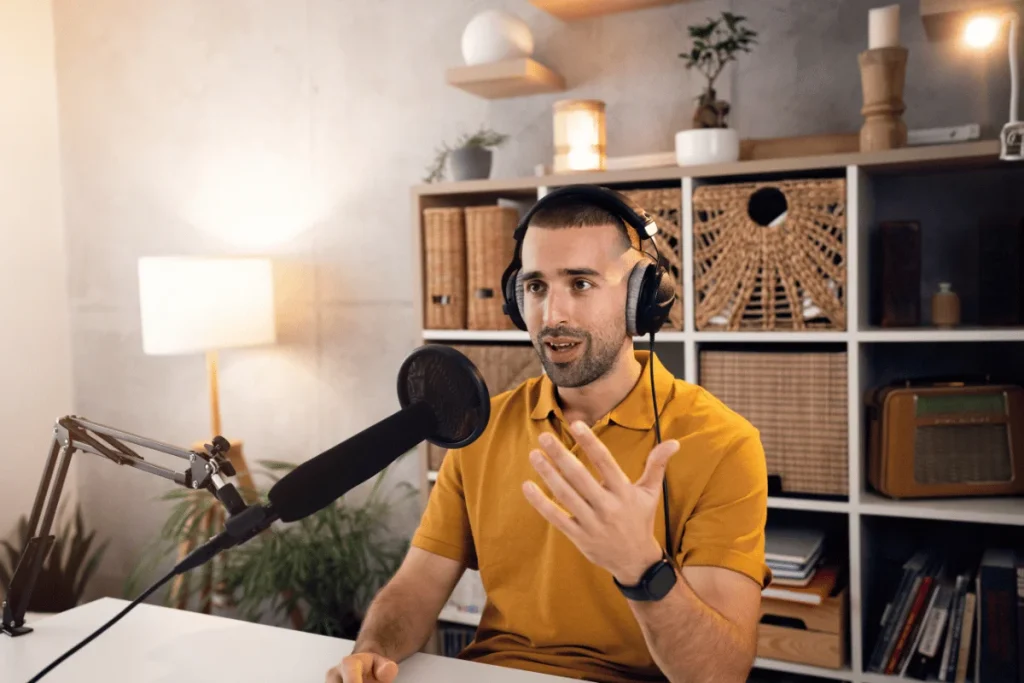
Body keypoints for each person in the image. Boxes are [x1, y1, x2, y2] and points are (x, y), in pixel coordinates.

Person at [326, 187, 771, 683]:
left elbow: (721, 673)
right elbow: (417, 585)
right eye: (536, 287)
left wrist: (642, 568)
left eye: (580, 283)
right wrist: (372, 652)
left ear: (641, 298)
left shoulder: (724, 443)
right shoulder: (483, 427)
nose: (552, 315)